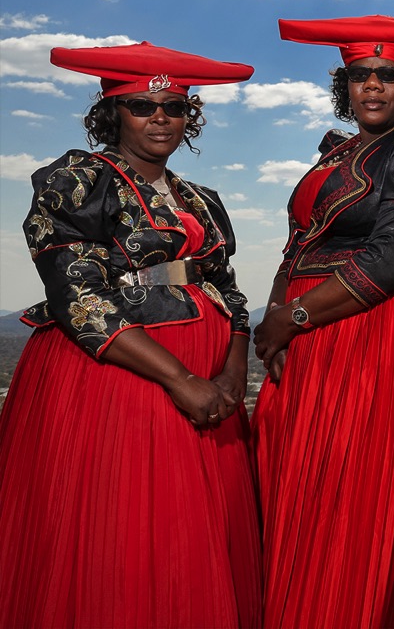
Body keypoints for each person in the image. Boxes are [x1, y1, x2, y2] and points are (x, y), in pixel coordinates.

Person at [0, 42, 261, 627]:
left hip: (209, 384)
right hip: (123, 377)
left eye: (173, 105)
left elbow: (230, 290)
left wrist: (230, 375)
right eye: (142, 106)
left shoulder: (201, 199)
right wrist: (182, 379)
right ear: (112, 112)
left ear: (190, 114)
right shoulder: (76, 181)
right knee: (129, 529)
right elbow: (77, 296)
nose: (160, 118)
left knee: (195, 534)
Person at [252, 15, 394, 628]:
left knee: (357, 490)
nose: (373, 86)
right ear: (344, 86)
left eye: (388, 75)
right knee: (303, 486)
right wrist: (275, 312)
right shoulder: (342, 150)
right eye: (360, 75)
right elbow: (299, 243)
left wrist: (291, 316)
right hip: (312, 326)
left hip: (379, 323)